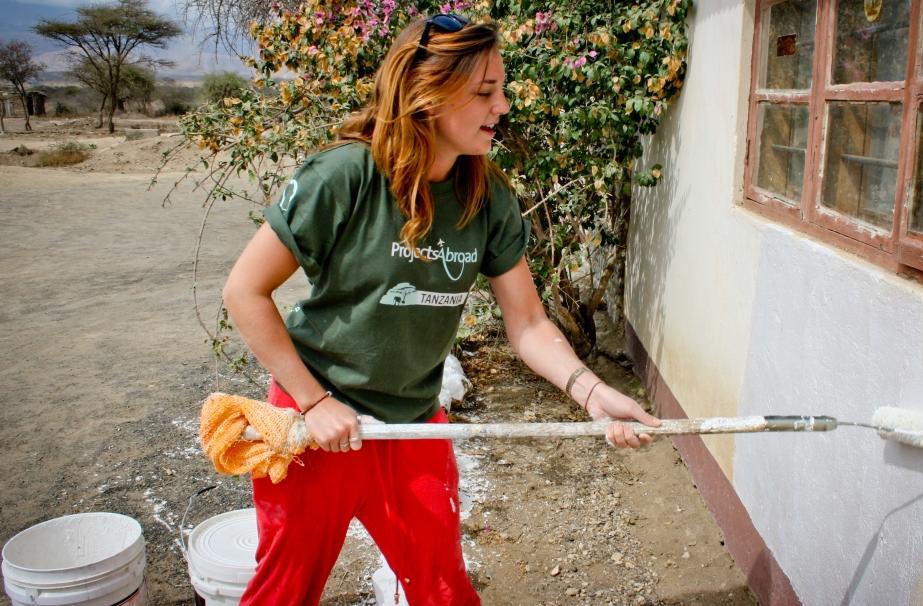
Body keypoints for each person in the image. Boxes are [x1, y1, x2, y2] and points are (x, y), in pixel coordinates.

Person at [222, 13, 660, 606]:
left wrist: (590, 392)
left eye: (501, 89)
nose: (502, 106)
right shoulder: (344, 177)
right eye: (485, 92)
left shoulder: (487, 196)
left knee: (445, 590)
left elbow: (528, 324)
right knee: (283, 590)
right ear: (426, 93)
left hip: (411, 426)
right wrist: (316, 402)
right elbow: (244, 292)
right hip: (316, 423)